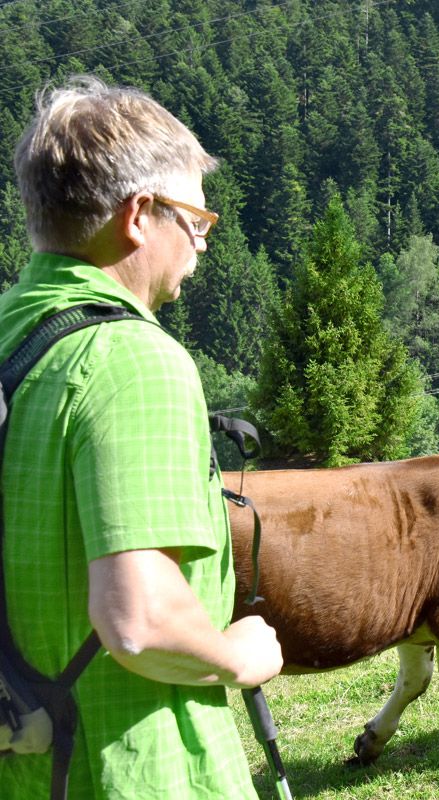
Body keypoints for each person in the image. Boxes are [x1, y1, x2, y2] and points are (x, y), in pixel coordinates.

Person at [0, 76, 283, 798]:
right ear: (137, 216)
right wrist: (238, 654)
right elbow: (139, 620)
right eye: (196, 220)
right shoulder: (133, 361)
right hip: (129, 762)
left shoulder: (11, 335)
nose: (202, 244)